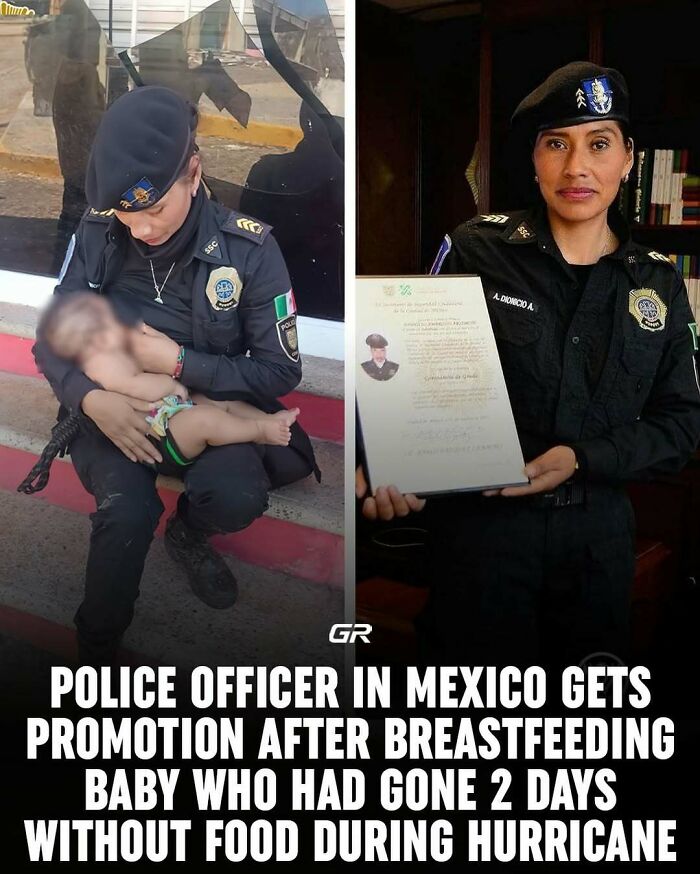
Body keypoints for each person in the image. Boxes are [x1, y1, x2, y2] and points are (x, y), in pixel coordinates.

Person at [357, 62, 700, 668]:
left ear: (627, 158)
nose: (577, 167)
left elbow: (680, 428)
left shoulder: (659, 284)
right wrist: (382, 460)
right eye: (556, 144)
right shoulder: (477, 247)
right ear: (535, 159)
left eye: (598, 144)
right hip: (481, 541)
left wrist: (581, 459)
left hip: (596, 545)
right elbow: (402, 368)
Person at [33, 85, 317, 665]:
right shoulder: (100, 232)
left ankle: (189, 533)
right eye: (127, 216)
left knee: (237, 494)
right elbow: (52, 340)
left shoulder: (249, 252)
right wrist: (89, 401)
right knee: (126, 509)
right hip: (117, 403)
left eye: (154, 210)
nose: (141, 231)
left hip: (207, 408)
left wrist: (183, 363)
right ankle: (98, 644)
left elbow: (279, 370)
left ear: (194, 171)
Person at [39, 292, 300, 467]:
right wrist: (172, 384)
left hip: (170, 410)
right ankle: (259, 431)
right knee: (206, 420)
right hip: (160, 435)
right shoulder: (101, 364)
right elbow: (138, 386)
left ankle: (267, 419)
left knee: (216, 402)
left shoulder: (111, 349)